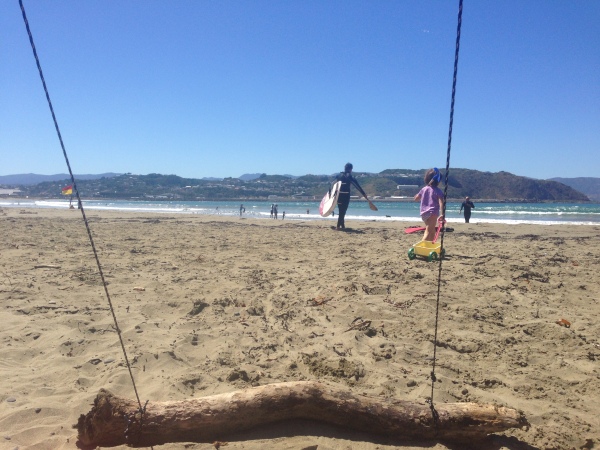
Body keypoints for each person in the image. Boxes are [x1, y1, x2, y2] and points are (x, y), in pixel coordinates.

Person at [414, 168, 445, 241]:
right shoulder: (438, 191)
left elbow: (416, 199)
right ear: (438, 181)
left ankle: (430, 244)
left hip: (423, 213)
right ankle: (421, 246)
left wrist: (416, 196)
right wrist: (442, 213)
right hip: (432, 213)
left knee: (432, 230)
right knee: (428, 231)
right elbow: (441, 202)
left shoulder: (424, 189)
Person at [335, 162, 368, 231]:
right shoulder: (350, 177)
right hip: (346, 196)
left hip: (339, 196)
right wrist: (364, 195)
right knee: (343, 211)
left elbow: (332, 186)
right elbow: (358, 187)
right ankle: (338, 226)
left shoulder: (339, 176)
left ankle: (342, 225)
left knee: (341, 210)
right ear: (351, 169)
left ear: (344, 168)